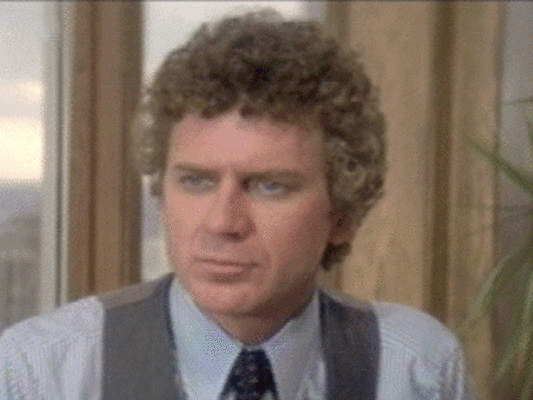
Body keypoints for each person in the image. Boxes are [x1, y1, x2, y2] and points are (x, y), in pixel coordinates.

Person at [0, 9, 470, 400]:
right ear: (162, 193)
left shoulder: (416, 369)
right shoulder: (40, 374)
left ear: (342, 215)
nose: (223, 223)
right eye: (196, 181)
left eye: (270, 187)